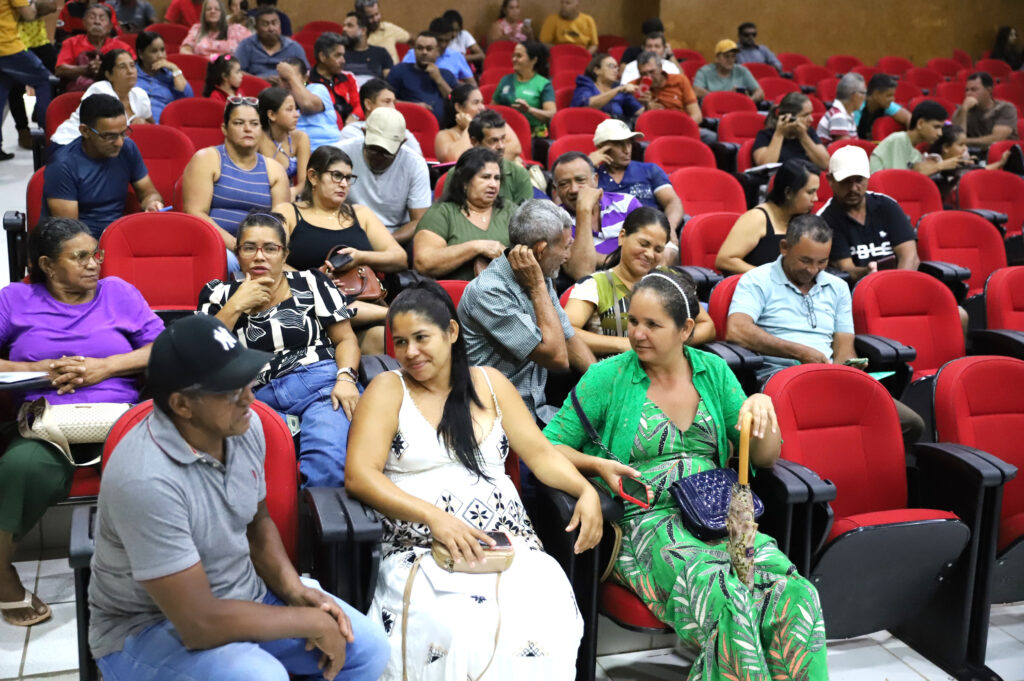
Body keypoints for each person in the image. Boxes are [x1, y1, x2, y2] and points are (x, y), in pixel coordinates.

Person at [544, 268, 828, 681]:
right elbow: (547, 446)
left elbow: (763, 459)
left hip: (720, 514)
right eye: (633, 322)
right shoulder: (608, 376)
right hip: (647, 523)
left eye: (652, 325)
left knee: (797, 593)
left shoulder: (712, 371)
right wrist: (596, 465)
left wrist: (763, 411)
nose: (637, 334)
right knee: (729, 596)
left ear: (685, 328)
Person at [87, 312, 390, 681]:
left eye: (246, 379)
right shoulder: (144, 478)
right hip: (151, 627)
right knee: (259, 676)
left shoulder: (243, 426)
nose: (250, 396)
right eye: (232, 389)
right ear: (182, 405)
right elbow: (198, 623)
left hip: (244, 594)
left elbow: (256, 522)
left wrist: (294, 590)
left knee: (368, 648)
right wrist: (300, 620)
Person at [345, 280, 601, 680]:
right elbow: (360, 477)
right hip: (423, 546)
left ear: (451, 332)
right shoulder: (387, 389)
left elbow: (541, 455)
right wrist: (435, 519)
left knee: (543, 605)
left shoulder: (492, 384)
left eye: (421, 338)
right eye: (399, 342)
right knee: (460, 622)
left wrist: (585, 489)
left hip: (508, 546)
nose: (410, 352)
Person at [0, 217, 162, 628]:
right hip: (45, 420)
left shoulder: (118, 293)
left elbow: (163, 345)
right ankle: (1, 573)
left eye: (97, 254)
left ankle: (165, 570)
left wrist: (104, 367)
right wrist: (34, 368)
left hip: (121, 417)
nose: (94, 264)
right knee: (20, 468)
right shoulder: (14, 300)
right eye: (81, 256)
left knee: (158, 467)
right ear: (48, 266)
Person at [726, 213, 926, 442]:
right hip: (781, 379)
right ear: (784, 247)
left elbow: (844, 345)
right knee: (826, 424)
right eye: (805, 261)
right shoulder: (757, 280)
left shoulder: (837, 287)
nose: (813, 270)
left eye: (821, 262)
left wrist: (847, 369)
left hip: (828, 377)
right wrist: (799, 352)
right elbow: (737, 329)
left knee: (911, 424)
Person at [198, 212, 361, 488]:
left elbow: (345, 340)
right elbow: (202, 354)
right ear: (237, 253)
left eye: (270, 248)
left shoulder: (311, 283)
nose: (260, 256)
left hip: (319, 386)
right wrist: (236, 305)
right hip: (255, 397)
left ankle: (320, 528)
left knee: (327, 465)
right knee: (248, 473)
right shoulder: (218, 294)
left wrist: (345, 378)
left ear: (284, 254)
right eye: (249, 247)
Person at [459, 200, 597, 417]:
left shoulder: (540, 274)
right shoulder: (488, 292)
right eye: (565, 246)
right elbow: (557, 358)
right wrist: (537, 288)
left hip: (537, 410)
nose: (567, 256)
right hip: (495, 416)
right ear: (541, 250)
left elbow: (568, 337)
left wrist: (604, 382)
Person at [273, 145, 407, 353]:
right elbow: (268, 260)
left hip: (359, 309)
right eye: (336, 176)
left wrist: (360, 256)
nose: (344, 184)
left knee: (394, 340)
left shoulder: (360, 214)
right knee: (323, 297)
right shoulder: (288, 213)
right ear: (313, 177)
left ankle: (390, 316)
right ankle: (395, 313)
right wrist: (314, 280)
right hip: (307, 306)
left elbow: (400, 258)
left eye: (348, 178)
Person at [565, 208, 715, 357]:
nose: (650, 254)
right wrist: (624, 344)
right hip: (617, 376)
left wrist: (669, 342)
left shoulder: (672, 280)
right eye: (643, 244)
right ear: (622, 237)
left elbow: (707, 326)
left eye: (658, 249)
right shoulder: (594, 285)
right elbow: (567, 331)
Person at [181, 97, 291, 270]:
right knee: (230, 262)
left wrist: (258, 250)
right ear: (224, 129)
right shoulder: (207, 159)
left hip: (260, 249)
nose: (247, 129)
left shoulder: (275, 170)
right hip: (217, 245)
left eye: (254, 124)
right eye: (239, 123)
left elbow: (281, 223)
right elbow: (196, 213)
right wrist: (237, 246)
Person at [42, 95, 164, 239]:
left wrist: (152, 203)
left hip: (118, 235)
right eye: (109, 136)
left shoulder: (128, 148)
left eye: (123, 133)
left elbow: (149, 192)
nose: (119, 142)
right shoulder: (62, 165)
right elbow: (70, 234)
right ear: (85, 131)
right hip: (81, 244)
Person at [817, 145, 919, 282]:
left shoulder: (888, 205)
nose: (853, 188)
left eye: (859, 180)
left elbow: (910, 256)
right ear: (830, 180)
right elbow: (846, 269)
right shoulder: (825, 220)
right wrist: (868, 272)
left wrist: (898, 285)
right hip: (857, 293)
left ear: (868, 176)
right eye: (845, 182)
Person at [414, 147, 513, 281]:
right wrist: (477, 247)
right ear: (465, 182)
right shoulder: (443, 213)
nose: (493, 185)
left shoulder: (510, 211)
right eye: (485, 177)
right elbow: (423, 263)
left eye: (497, 178)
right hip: (454, 298)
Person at [338, 106, 431, 244]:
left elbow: (419, 222)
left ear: (403, 143)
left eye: (386, 153)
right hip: (347, 230)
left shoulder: (415, 164)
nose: (379, 157)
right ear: (363, 133)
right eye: (373, 150)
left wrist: (386, 243)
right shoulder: (341, 153)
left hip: (396, 235)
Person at [716, 159, 820, 275]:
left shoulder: (802, 221)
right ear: (789, 193)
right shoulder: (757, 218)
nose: (815, 198)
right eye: (810, 192)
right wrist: (770, 277)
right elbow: (724, 260)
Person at [551, 150, 641, 277]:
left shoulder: (627, 203)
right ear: (556, 190)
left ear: (595, 180)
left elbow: (647, 249)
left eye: (580, 180)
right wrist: (584, 210)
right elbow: (581, 272)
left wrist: (601, 259)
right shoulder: (555, 221)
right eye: (564, 184)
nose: (574, 189)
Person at [591, 119, 685, 236]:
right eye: (619, 144)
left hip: (653, 231)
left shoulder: (649, 170)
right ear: (601, 147)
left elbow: (672, 201)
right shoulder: (592, 177)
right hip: (611, 237)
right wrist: (588, 164)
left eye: (629, 143)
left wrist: (669, 228)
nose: (627, 150)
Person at [51, 49, 154, 147]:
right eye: (122, 67)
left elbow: (153, 126)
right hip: (70, 143)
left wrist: (144, 124)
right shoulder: (100, 90)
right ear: (109, 74)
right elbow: (107, 131)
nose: (130, 71)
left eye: (132, 66)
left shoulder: (140, 95)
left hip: (108, 149)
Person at [2, 0, 57, 157]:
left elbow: (51, 5)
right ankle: (46, 139)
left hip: (27, 43)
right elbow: (29, 14)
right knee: (45, 81)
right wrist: (33, 5)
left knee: (1, 92)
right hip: (9, 46)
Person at [440, 108, 531, 203]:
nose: (501, 146)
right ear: (474, 142)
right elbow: (448, 213)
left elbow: (526, 216)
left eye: (503, 139)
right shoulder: (456, 173)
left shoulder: (519, 174)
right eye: (493, 141)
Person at [55, 4, 135, 92]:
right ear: (84, 23)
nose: (97, 22)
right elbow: (59, 70)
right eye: (92, 17)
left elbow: (133, 70)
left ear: (110, 26)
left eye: (102, 18)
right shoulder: (71, 43)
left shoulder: (122, 47)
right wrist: (85, 69)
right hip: (79, 93)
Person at [871, 100, 964, 174]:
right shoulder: (899, 139)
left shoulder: (916, 154)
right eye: (936, 127)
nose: (940, 133)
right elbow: (898, 179)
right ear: (920, 123)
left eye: (941, 128)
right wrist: (940, 166)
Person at [387, 31, 457, 126]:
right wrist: (415, 107)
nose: (424, 52)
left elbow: (455, 101)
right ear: (414, 51)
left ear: (438, 52)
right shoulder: (399, 71)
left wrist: (439, 80)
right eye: (420, 48)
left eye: (429, 49)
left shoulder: (447, 75)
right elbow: (387, 100)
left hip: (442, 130)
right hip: (409, 126)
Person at [339, 77, 422, 155]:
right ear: (368, 104)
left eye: (394, 103)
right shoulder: (351, 132)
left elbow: (418, 161)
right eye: (387, 102)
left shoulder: (403, 131)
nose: (392, 107)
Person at [492, 40, 556, 137]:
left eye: (519, 56)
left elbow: (551, 114)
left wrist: (529, 110)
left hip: (534, 136)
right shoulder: (505, 80)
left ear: (533, 60)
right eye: (513, 55)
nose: (514, 59)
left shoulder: (543, 84)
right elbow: (493, 108)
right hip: (505, 133)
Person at [276, 57, 343, 149]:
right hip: (295, 154)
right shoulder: (276, 100)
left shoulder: (318, 89)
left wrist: (291, 76)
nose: (288, 83)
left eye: (293, 78)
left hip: (330, 149)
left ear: (305, 78)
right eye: (284, 79)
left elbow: (308, 105)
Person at [752, 92, 829, 170]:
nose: (811, 119)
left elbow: (824, 164)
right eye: (805, 115)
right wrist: (779, 133)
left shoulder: (809, 133)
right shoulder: (765, 135)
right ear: (789, 117)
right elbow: (765, 165)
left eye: (811, 114)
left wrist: (803, 136)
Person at [256, 86, 310, 194]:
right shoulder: (257, 138)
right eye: (289, 109)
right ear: (271, 115)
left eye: (296, 109)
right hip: (261, 195)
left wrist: (293, 192)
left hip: (290, 196)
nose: (297, 114)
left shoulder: (300, 138)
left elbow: (304, 184)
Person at [633, 51, 703, 130]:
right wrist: (646, 106)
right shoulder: (634, 86)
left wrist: (680, 128)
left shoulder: (680, 80)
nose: (649, 77)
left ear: (660, 67)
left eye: (652, 72)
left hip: (684, 127)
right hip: (655, 130)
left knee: (712, 137)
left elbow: (697, 116)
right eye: (643, 74)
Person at [133, 30, 192, 123]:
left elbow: (188, 99)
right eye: (154, 51)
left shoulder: (170, 75)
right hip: (136, 125)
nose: (160, 55)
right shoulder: (131, 73)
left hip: (165, 125)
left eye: (162, 50)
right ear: (141, 54)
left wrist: (175, 69)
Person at [234, 6, 307, 81]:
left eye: (274, 23)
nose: (271, 28)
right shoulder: (246, 45)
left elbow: (306, 73)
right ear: (256, 28)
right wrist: (261, 80)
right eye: (265, 24)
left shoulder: (293, 47)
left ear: (280, 25)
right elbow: (236, 72)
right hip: (256, 88)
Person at [952, 71, 1019, 150]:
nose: (968, 94)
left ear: (989, 90)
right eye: (967, 90)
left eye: (974, 89)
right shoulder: (964, 109)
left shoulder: (1006, 108)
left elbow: (997, 139)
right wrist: (964, 111)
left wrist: (965, 141)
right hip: (973, 154)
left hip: (1003, 153)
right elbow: (956, 137)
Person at [308, 31, 363, 124]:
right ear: (322, 57)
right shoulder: (307, 81)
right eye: (338, 55)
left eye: (343, 55)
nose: (343, 60)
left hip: (350, 129)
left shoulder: (348, 78)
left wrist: (354, 117)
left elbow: (359, 104)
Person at [400, 17, 474, 86]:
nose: (443, 45)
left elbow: (473, 86)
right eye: (439, 40)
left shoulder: (457, 57)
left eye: (447, 40)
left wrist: (452, 83)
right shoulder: (413, 54)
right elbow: (401, 79)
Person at [570, 52, 642, 123]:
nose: (615, 70)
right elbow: (585, 106)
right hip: (589, 127)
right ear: (597, 70)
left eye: (617, 67)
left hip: (618, 130)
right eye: (611, 66)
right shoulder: (586, 83)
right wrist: (617, 90)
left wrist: (647, 103)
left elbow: (638, 112)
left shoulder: (619, 87)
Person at [693, 39, 764, 103]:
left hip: (737, 107)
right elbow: (696, 91)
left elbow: (760, 92)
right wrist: (727, 96)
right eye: (726, 56)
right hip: (715, 108)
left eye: (733, 56)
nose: (730, 60)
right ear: (717, 58)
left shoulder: (742, 71)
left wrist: (749, 100)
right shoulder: (704, 71)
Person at [179, 0, 251, 57]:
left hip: (228, 69)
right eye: (208, 9)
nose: (212, 11)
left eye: (217, 9)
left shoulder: (236, 29)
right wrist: (200, 60)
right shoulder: (197, 29)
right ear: (204, 13)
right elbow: (184, 49)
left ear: (222, 13)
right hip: (202, 68)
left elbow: (253, 46)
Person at [341, 10, 392, 86]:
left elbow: (391, 82)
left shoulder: (381, 53)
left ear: (363, 30)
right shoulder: (340, 53)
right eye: (344, 25)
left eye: (349, 26)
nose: (344, 29)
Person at [855, 74, 911, 140]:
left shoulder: (886, 104)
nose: (893, 99)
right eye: (889, 96)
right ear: (876, 94)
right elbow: (851, 136)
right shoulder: (857, 105)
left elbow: (909, 118)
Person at [816, 73, 866, 142]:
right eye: (863, 93)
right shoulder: (838, 116)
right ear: (855, 95)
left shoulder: (849, 114)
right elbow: (846, 149)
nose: (865, 97)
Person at [356, 0, 409, 64]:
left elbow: (412, 40)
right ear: (360, 16)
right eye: (370, 17)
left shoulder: (389, 28)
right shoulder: (356, 34)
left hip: (395, 73)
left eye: (377, 14)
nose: (375, 19)